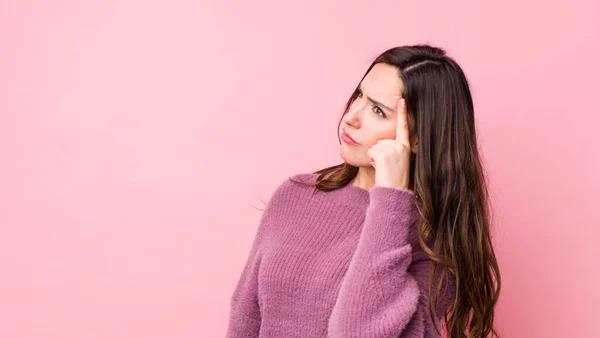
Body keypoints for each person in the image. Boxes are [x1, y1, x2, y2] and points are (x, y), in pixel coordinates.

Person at [225, 44, 501, 338]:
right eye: (359, 95)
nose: (351, 117)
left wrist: (391, 201)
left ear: (418, 139)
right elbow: (244, 317)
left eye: (378, 110)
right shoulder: (295, 195)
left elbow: (356, 331)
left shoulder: (432, 241)